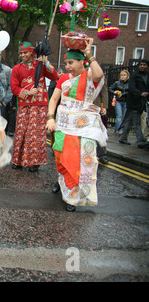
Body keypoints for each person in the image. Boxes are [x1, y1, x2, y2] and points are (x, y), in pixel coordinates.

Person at [46, 40, 106, 212]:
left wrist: (88, 52)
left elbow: (99, 75)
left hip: (82, 129)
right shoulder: (64, 79)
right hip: (63, 126)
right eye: (66, 63)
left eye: (71, 62)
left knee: (76, 162)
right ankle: (62, 182)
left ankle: (72, 197)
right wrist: (51, 118)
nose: (67, 66)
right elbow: (54, 99)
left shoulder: (88, 77)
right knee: (61, 159)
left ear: (82, 62)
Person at [10, 41, 58, 172]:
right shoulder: (16, 68)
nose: (22, 55)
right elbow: (14, 87)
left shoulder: (40, 65)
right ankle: (18, 160)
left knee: (35, 134)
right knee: (21, 132)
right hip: (24, 104)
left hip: (39, 104)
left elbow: (54, 76)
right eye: (21, 53)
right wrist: (27, 93)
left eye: (25, 52)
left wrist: (46, 62)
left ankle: (34, 162)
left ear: (31, 52)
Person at [119, 60, 149, 149]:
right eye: (141, 65)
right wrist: (140, 93)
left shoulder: (147, 75)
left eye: (144, 65)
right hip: (134, 101)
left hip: (142, 102)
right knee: (137, 122)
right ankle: (141, 141)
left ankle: (123, 137)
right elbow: (131, 88)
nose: (142, 66)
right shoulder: (134, 75)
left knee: (130, 121)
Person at [108, 70, 130, 136]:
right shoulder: (117, 83)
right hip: (118, 101)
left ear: (127, 76)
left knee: (124, 116)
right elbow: (109, 88)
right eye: (121, 75)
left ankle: (116, 129)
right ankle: (119, 130)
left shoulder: (129, 83)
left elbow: (130, 91)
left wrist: (123, 94)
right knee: (119, 116)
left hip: (126, 101)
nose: (123, 77)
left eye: (124, 75)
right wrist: (114, 92)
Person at [93, 79, 109, 164]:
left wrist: (104, 107)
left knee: (97, 131)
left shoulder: (100, 77)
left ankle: (102, 154)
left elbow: (104, 92)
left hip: (96, 107)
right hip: (82, 108)